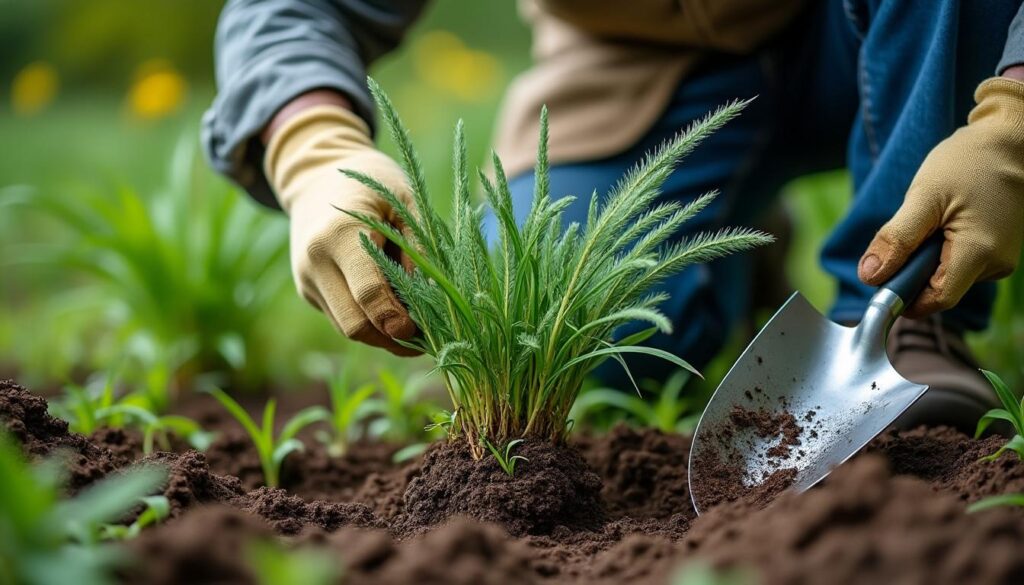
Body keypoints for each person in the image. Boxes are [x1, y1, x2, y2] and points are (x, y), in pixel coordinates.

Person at [202, 0, 1024, 432]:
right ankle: (722, 263)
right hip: (633, 73)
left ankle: (902, 328)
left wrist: (1017, 105)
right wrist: (311, 144)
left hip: (909, 24)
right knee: (556, 328)